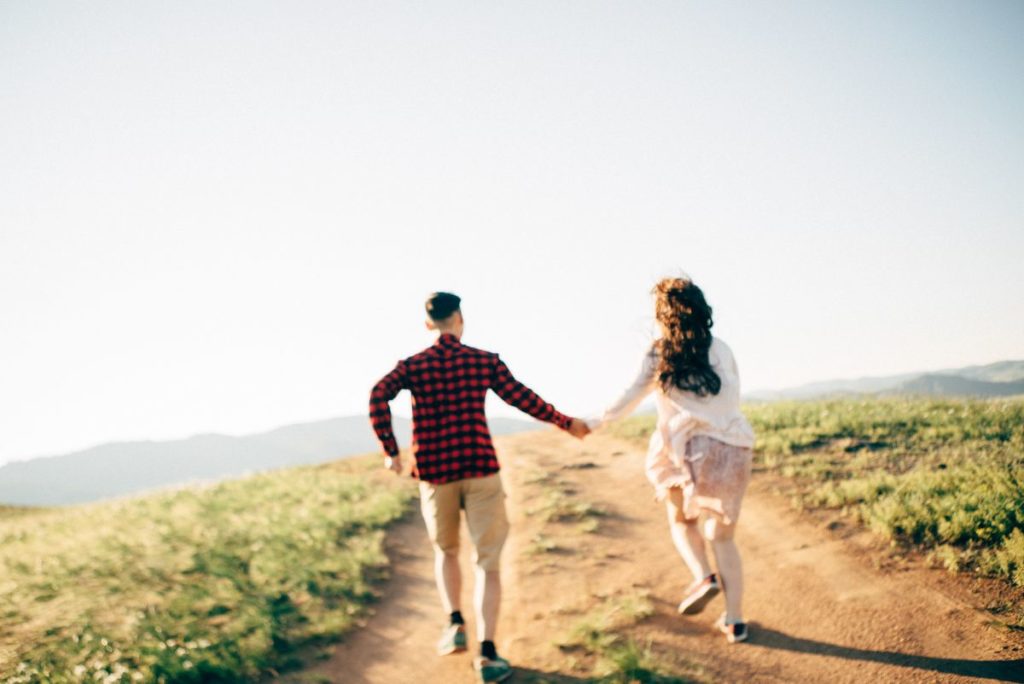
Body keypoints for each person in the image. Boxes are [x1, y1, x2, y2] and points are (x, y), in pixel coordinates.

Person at [370, 291, 590, 682]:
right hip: (480, 468)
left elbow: (377, 396)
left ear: (427, 323)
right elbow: (522, 398)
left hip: (436, 474)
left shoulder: (412, 366)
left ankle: (455, 622)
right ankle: (488, 655)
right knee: (487, 563)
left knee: (446, 550)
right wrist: (563, 421)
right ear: (459, 318)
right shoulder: (483, 361)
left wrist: (392, 451)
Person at [586, 276, 755, 643]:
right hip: (733, 448)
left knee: (681, 520)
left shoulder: (659, 351)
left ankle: (703, 576)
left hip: (686, 449)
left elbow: (630, 395)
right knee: (723, 538)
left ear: (663, 315)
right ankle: (736, 621)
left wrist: (594, 423)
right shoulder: (721, 348)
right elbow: (733, 397)